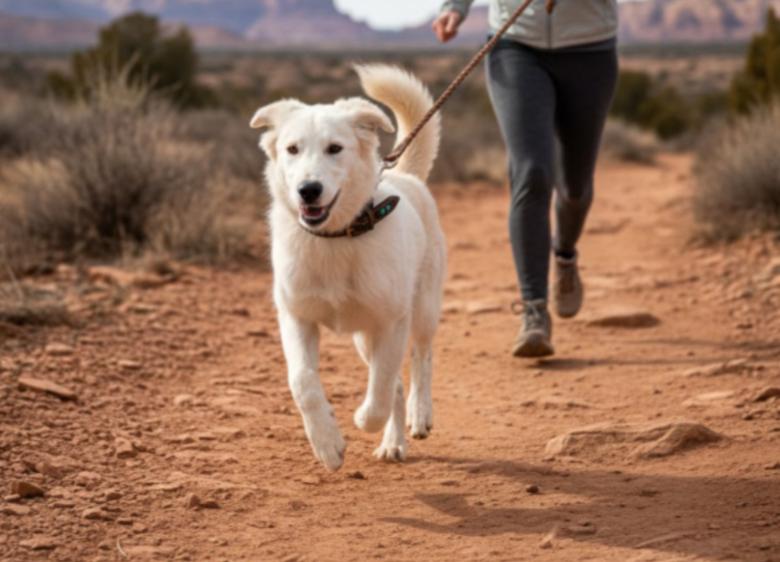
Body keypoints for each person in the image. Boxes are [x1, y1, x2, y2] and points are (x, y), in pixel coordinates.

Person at [433, 0, 619, 358]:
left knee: (575, 189)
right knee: (532, 172)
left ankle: (564, 254)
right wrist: (454, 7)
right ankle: (534, 310)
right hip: (515, 45)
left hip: (590, 50)